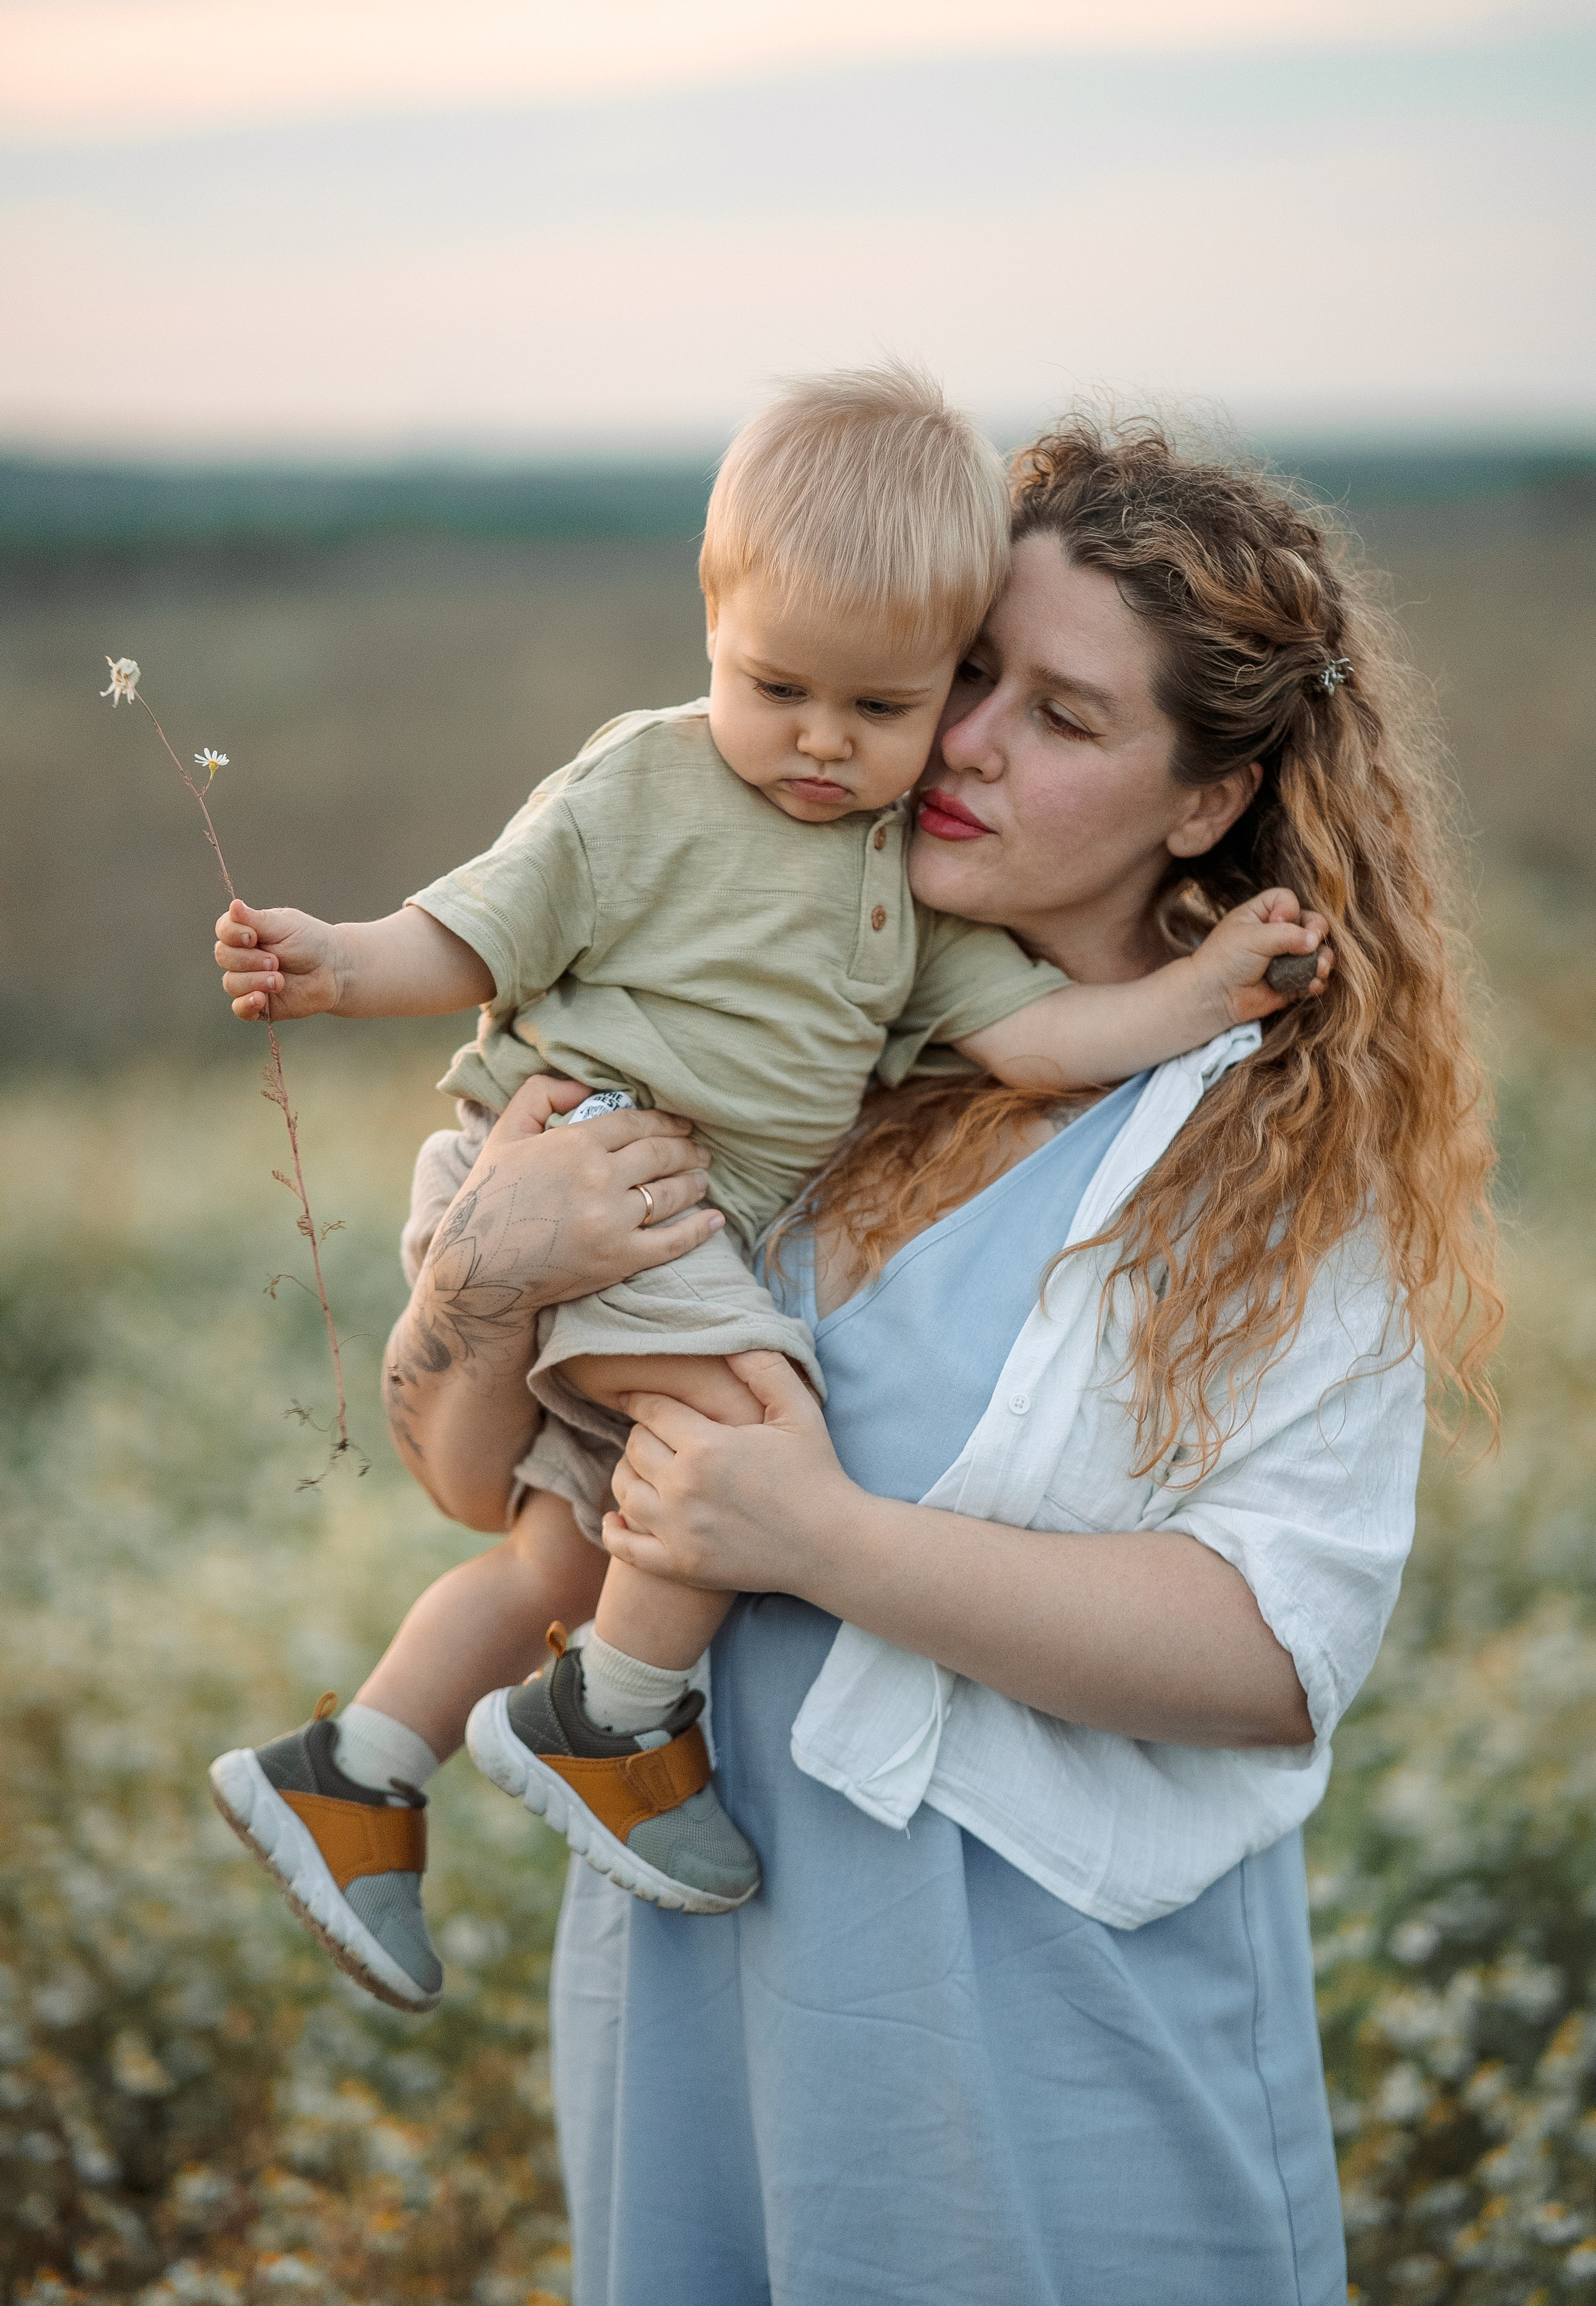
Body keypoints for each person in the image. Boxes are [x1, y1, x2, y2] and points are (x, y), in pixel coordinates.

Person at [383, 415, 1499, 2306]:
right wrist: (486, 1283)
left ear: (1208, 801)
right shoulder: (804, 1031)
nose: (964, 740)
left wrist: (819, 1538)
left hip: (1038, 2039)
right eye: (970, 672)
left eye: (1065, 719)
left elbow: (1273, 1654)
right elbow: (490, 1493)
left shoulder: (1267, 1148)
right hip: (699, 1985)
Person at [206, 369, 1327, 2007]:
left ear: (1211, 796)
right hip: (595, 1163)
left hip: (661, 1228)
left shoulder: (904, 905)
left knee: (561, 1566)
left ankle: (355, 1767)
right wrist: (332, 967)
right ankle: (609, 1723)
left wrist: (1217, 988)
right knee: (750, 1414)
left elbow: (1046, 1042)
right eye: (778, 688)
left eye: (887, 706)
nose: (833, 744)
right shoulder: (647, 787)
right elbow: (473, 933)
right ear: (713, 633)